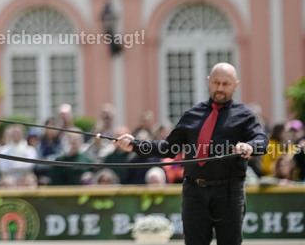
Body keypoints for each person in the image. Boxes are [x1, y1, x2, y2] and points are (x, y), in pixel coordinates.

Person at [114, 63, 267, 245]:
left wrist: (249, 145)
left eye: (225, 84)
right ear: (209, 82)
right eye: (216, 82)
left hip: (229, 192)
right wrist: (135, 145)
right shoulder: (192, 114)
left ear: (235, 85)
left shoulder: (245, 116)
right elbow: (168, 148)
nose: (220, 88)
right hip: (194, 192)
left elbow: (262, 141)